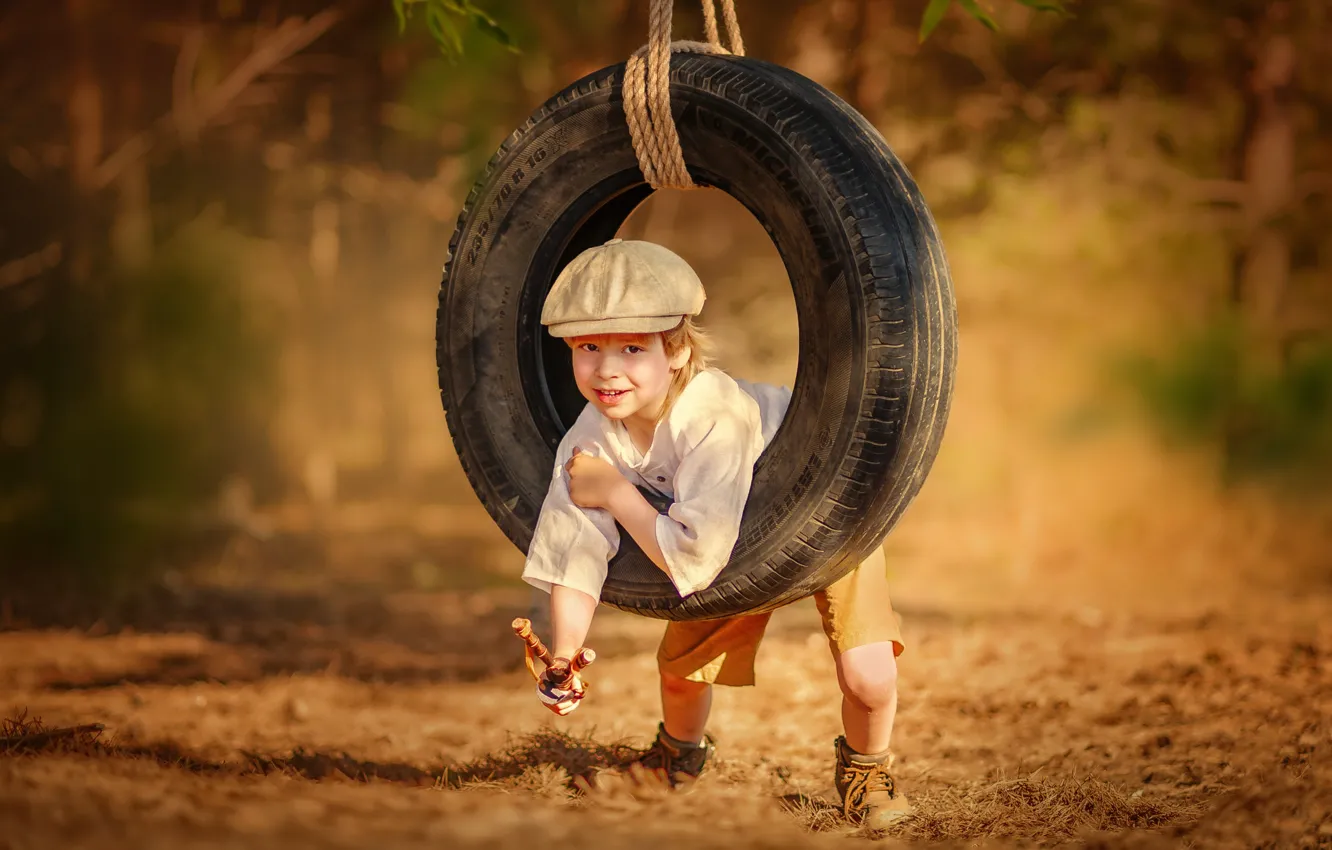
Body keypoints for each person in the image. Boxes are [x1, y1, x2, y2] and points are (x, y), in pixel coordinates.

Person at [520, 238, 910, 828]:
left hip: (823, 509)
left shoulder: (712, 415)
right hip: (721, 534)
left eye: (632, 347)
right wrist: (566, 656)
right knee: (679, 676)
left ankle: (868, 770)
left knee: (868, 677)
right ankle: (676, 759)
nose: (606, 369)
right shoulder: (590, 435)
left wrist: (618, 494)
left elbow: (694, 556)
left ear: (676, 350)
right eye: (589, 347)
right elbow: (575, 545)